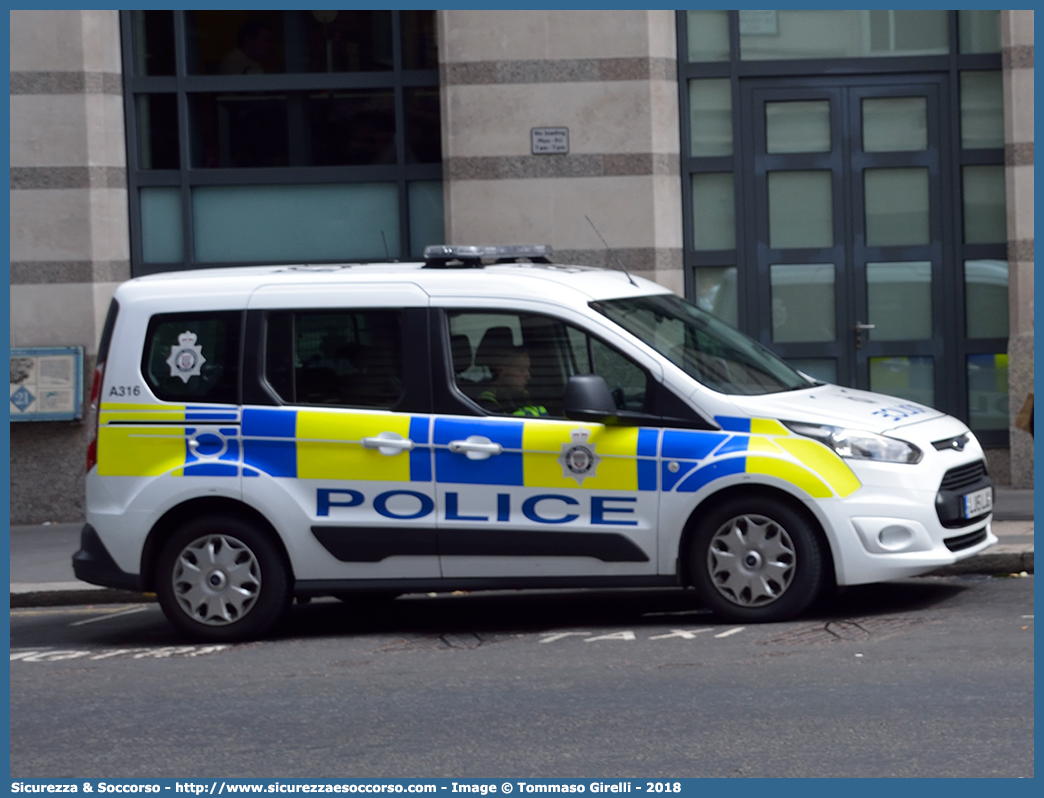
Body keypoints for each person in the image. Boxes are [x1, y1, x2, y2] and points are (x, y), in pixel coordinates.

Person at [477, 346, 548, 417]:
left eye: (528, 370)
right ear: (501, 371)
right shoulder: (488, 405)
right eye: (522, 370)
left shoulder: (522, 396)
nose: (528, 377)